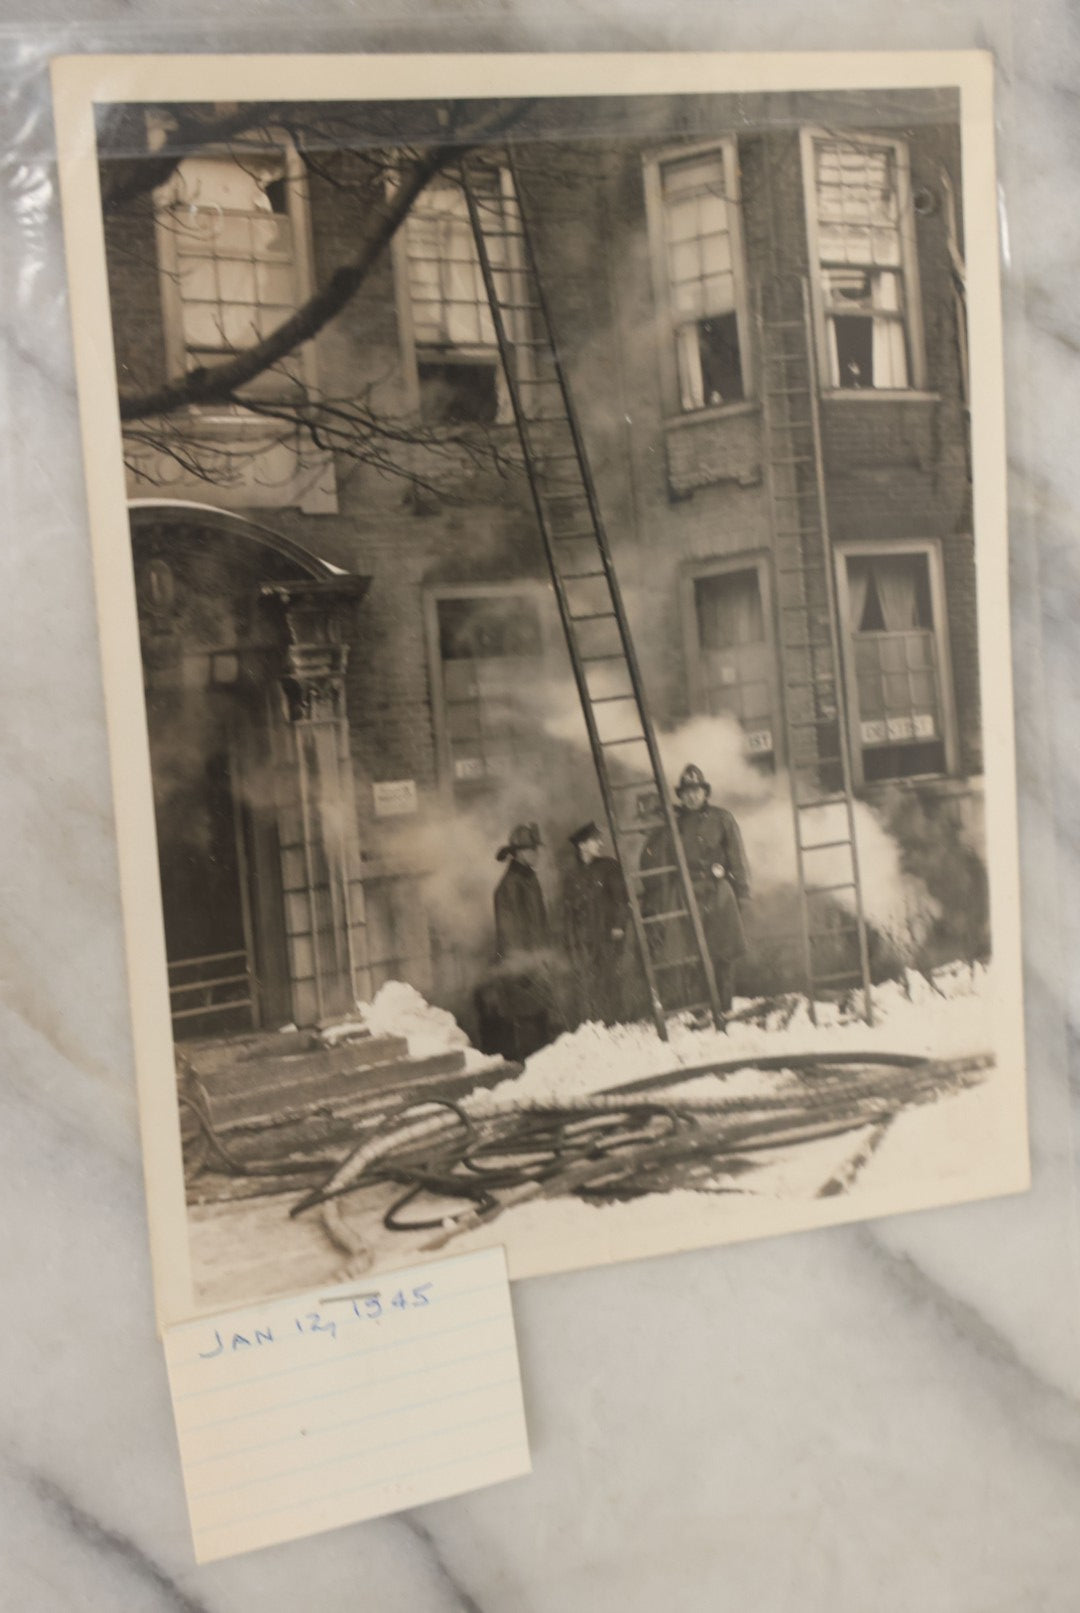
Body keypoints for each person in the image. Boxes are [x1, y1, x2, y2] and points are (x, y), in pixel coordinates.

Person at [639, 763, 750, 1016]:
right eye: (687, 792)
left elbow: (738, 858)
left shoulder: (723, 819)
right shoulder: (673, 826)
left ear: (705, 792)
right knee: (691, 950)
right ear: (681, 796)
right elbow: (657, 857)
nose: (692, 796)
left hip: (718, 891)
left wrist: (742, 894)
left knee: (722, 950)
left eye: (697, 790)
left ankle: (723, 1007)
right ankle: (701, 1008)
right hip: (685, 893)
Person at [476, 822, 555, 1062]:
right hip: (522, 969)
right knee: (526, 1020)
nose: (537, 853)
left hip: (537, 963)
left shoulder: (530, 879)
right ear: (519, 853)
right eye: (532, 849)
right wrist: (522, 967)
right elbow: (508, 933)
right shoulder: (508, 888)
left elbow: (539, 923)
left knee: (540, 1016)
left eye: (536, 848)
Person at [562, 820, 629, 1025]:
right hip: (584, 938)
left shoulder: (610, 867)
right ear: (581, 845)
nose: (600, 844)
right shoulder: (572, 875)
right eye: (594, 841)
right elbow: (569, 912)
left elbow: (621, 899)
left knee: (610, 978)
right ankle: (594, 1025)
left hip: (607, 934)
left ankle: (616, 1022)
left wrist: (618, 925)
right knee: (587, 982)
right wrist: (571, 940)